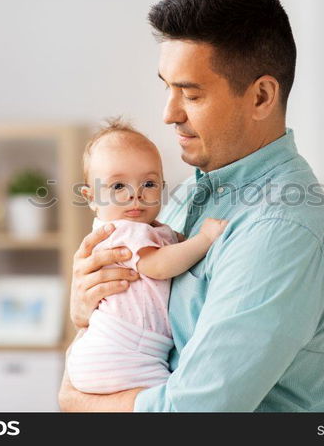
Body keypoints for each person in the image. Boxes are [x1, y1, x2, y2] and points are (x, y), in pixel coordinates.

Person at [59, 0, 324, 412]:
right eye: (167, 86)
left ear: (260, 97)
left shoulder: (279, 231)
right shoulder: (184, 197)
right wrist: (86, 311)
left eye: (191, 94)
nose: (168, 114)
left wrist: (76, 398)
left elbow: (195, 412)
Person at [65, 118, 227, 394]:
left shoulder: (150, 230)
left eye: (148, 183)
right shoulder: (124, 231)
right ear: (90, 197)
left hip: (123, 350)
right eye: (118, 186)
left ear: (162, 187)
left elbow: (171, 248)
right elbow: (158, 265)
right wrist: (205, 240)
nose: (135, 195)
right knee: (172, 401)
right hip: (122, 350)